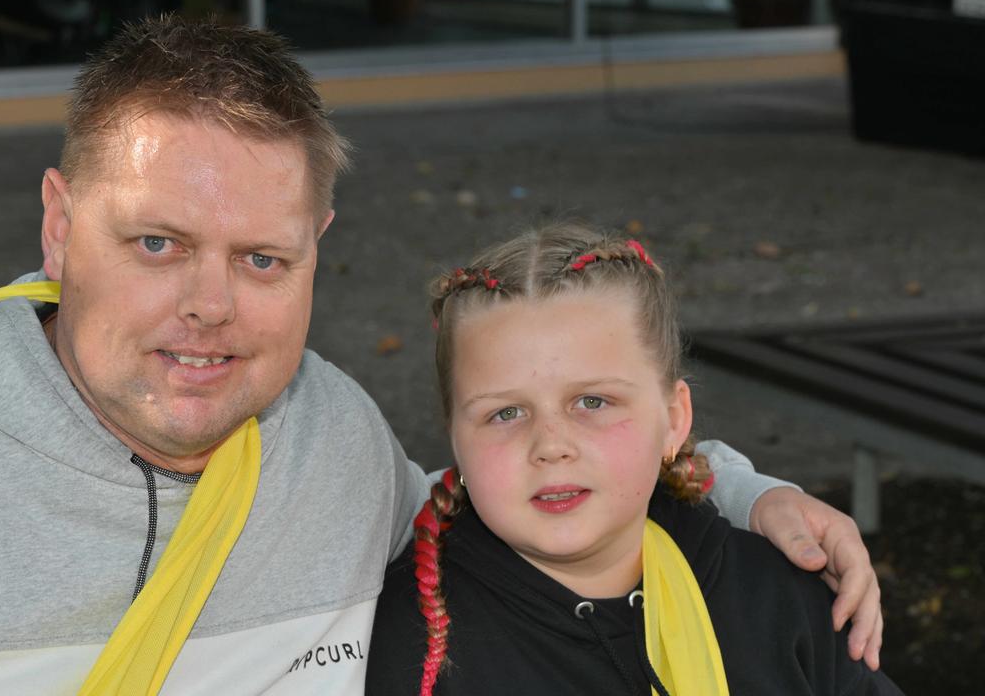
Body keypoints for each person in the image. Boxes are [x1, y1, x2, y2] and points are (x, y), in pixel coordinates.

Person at [0, 17, 879, 694]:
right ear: (59, 226)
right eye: (157, 243)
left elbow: (522, 487)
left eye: (262, 260)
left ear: (318, 249)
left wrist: (740, 486)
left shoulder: (331, 443)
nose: (208, 306)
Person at [366, 223, 900, 695]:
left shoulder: (777, 597)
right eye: (505, 413)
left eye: (592, 402)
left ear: (674, 418)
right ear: (454, 437)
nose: (551, 444)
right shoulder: (411, 650)